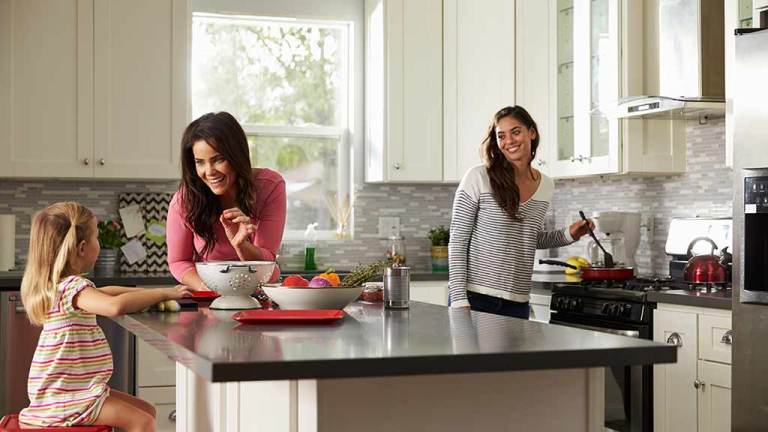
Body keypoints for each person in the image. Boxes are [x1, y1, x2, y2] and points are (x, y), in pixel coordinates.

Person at [19, 202, 192, 430]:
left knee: (147, 410)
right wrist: (161, 292)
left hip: (73, 390)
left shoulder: (62, 286)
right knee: (143, 421)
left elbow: (106, 291)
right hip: (68, 398)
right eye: (97, 238)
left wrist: (152, 294)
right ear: (82, 247)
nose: (99, 244)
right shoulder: (72, 287)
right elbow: (113, 305)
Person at [448, 105, 594, 319]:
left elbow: (526, 239)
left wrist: (569, 234)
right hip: (476, 297)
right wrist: (459, 299)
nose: (509, 141)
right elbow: (458, 240)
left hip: (518, 301)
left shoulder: (546, 185)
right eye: (501, 136)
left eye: (515, 132)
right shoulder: (478, 177)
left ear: (531, 133)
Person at [166, 112, 287, 291]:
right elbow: (178, 261)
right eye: (200, 162)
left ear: (236, 155)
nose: (209, 171)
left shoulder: (269, 186)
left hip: (259, 290)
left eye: (218, 160)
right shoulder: (185, 200)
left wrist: (242, 245)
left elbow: (267, 262)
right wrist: (208, 289)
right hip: (210, 293)